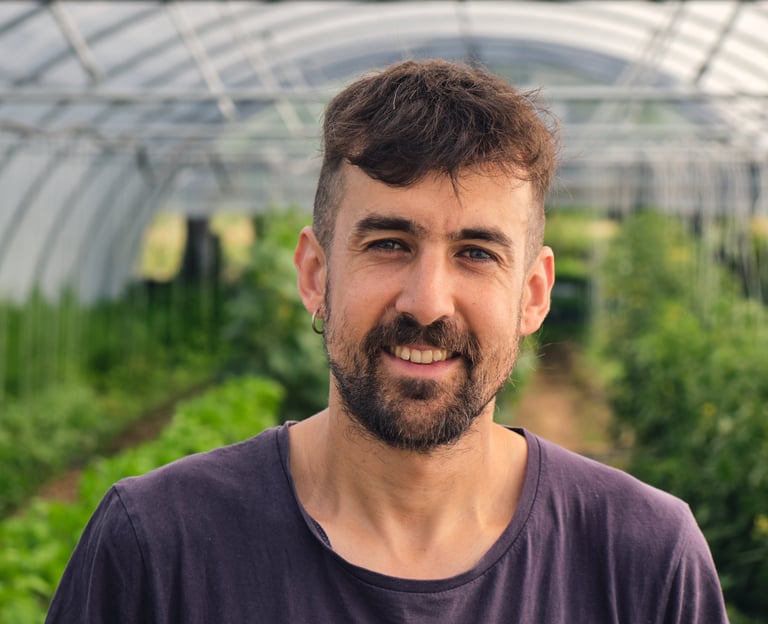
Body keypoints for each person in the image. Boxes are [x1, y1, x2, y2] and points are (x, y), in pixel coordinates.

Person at [46, 59, 728, 623]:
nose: (427, 303)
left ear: (533, 294)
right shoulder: (156, 547)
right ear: (315, 275)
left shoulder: (644, 562)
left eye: (476, 253)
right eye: (389, 243)